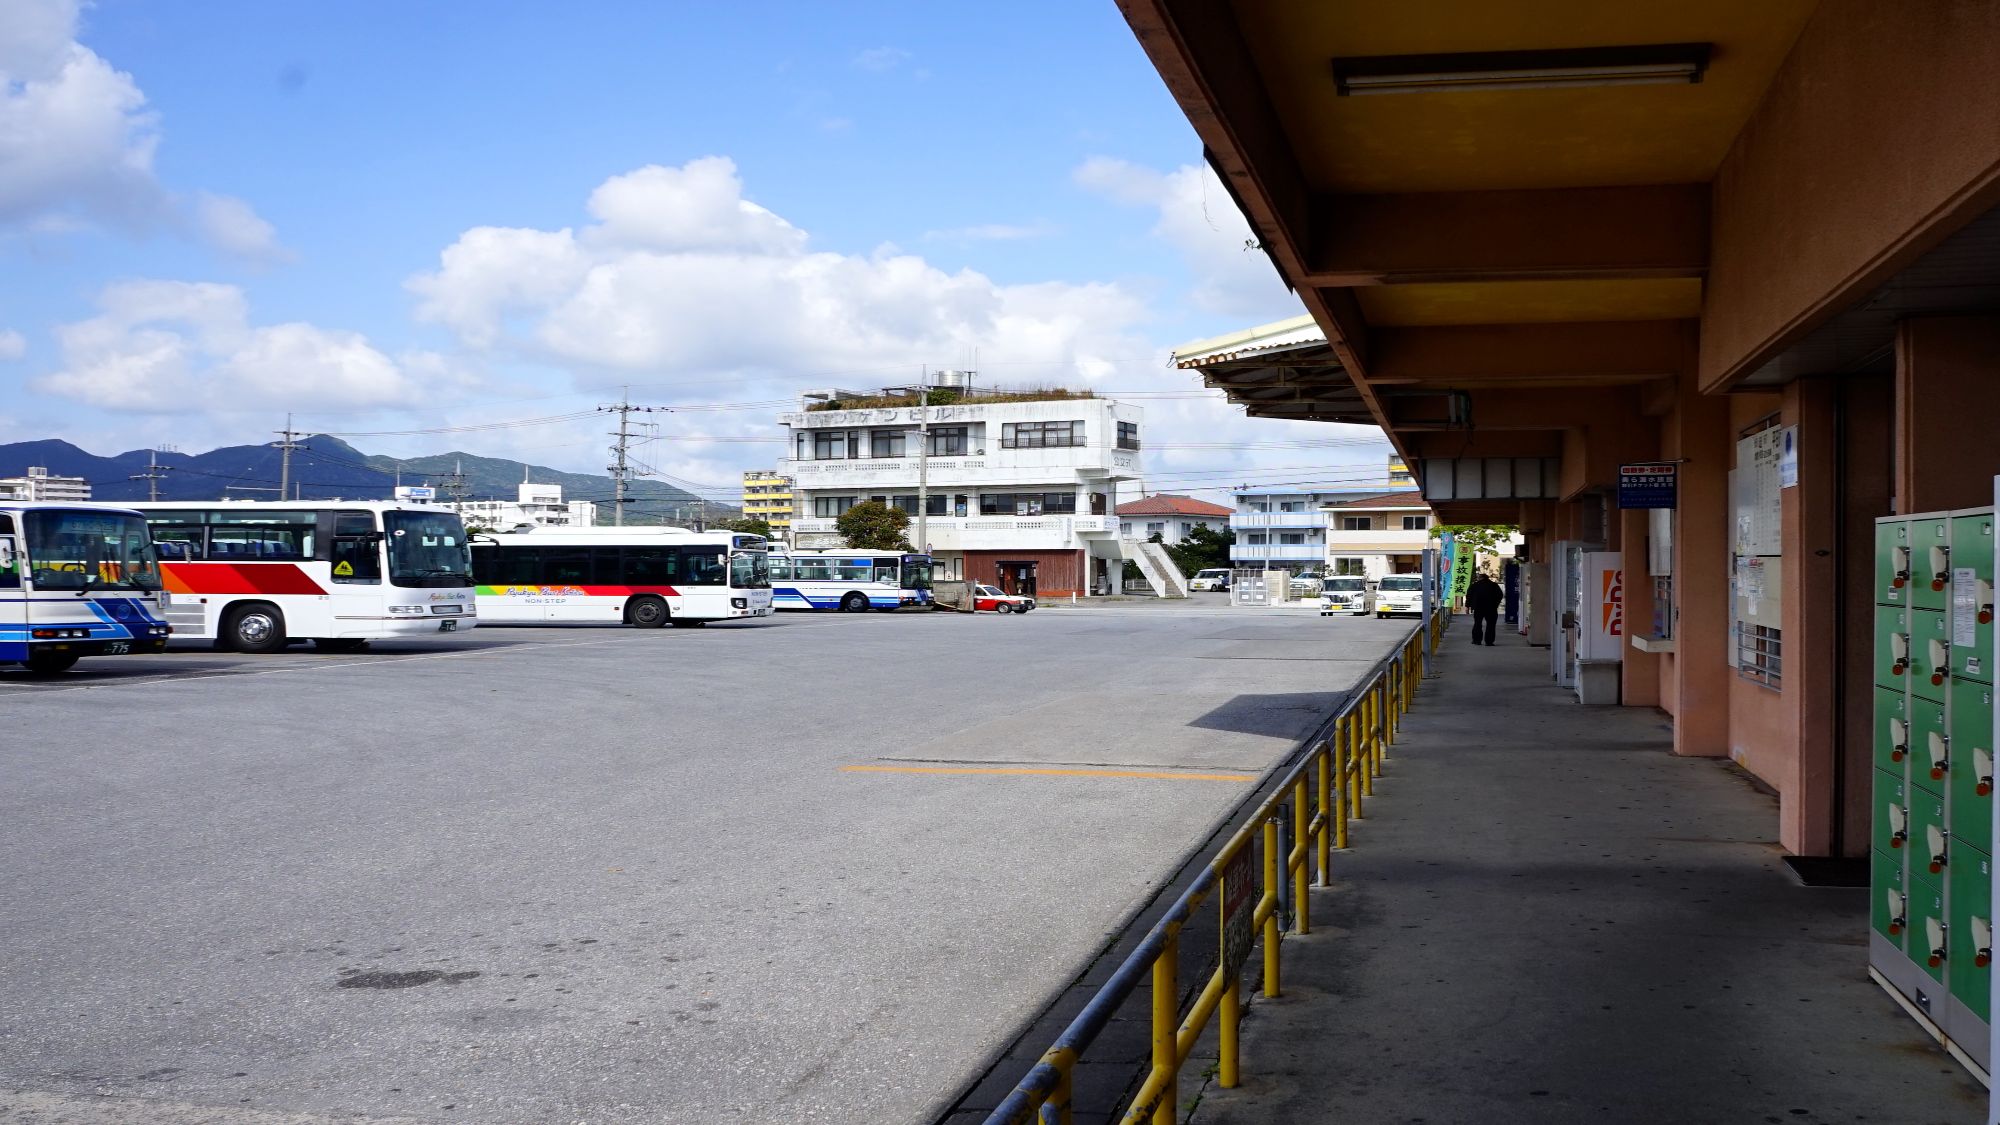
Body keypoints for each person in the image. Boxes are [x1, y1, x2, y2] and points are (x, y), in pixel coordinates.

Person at [1465, 571, 1503, 646]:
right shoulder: (1494, 585)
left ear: (1480, 578)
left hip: (1478, 608)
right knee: (1491, 625)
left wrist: (1467, 606)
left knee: (1477, 623)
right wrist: (1496, 604)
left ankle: (1477, 640)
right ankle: (1489, 641)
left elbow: (1469, 596)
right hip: (1491, 608)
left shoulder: (1475, 585)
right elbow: (1500, 595)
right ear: (1487, 578)